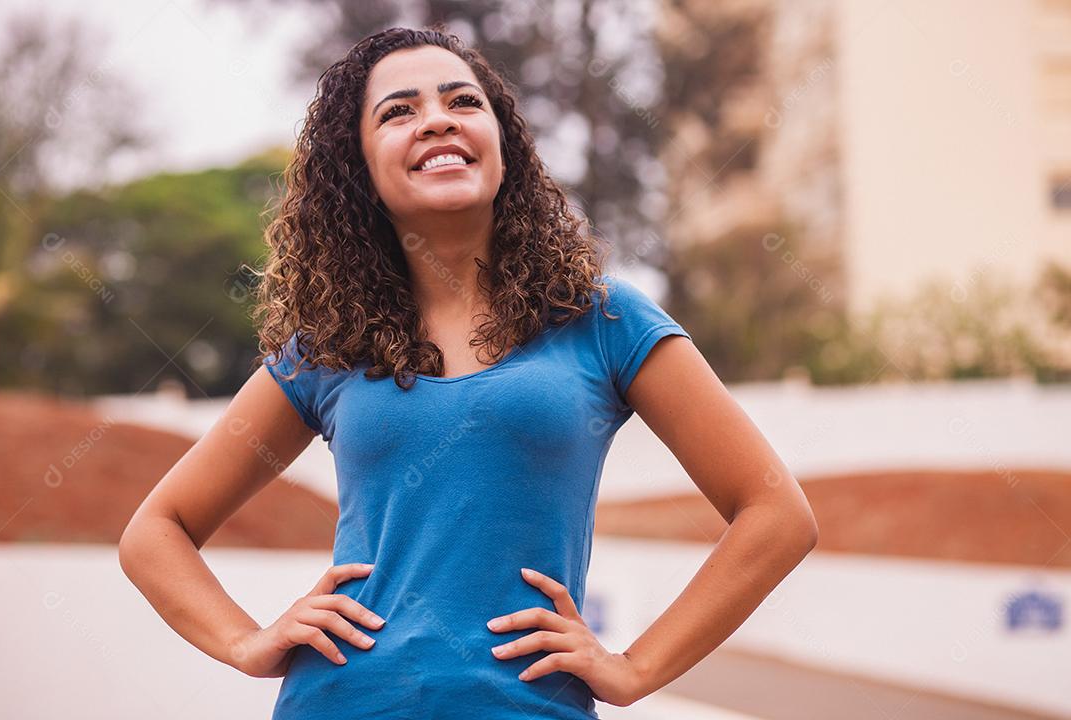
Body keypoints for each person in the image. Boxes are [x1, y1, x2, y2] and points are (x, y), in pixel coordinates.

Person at [119, 26, 819, 720]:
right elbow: (156, 531)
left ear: (503, 144)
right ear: (356, 166)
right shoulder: (327, 347)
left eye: (462, 101)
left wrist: (634, 668)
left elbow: (775, 514)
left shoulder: (603, 321)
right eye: (398, 111)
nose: (437, 121)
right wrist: (248, 641)